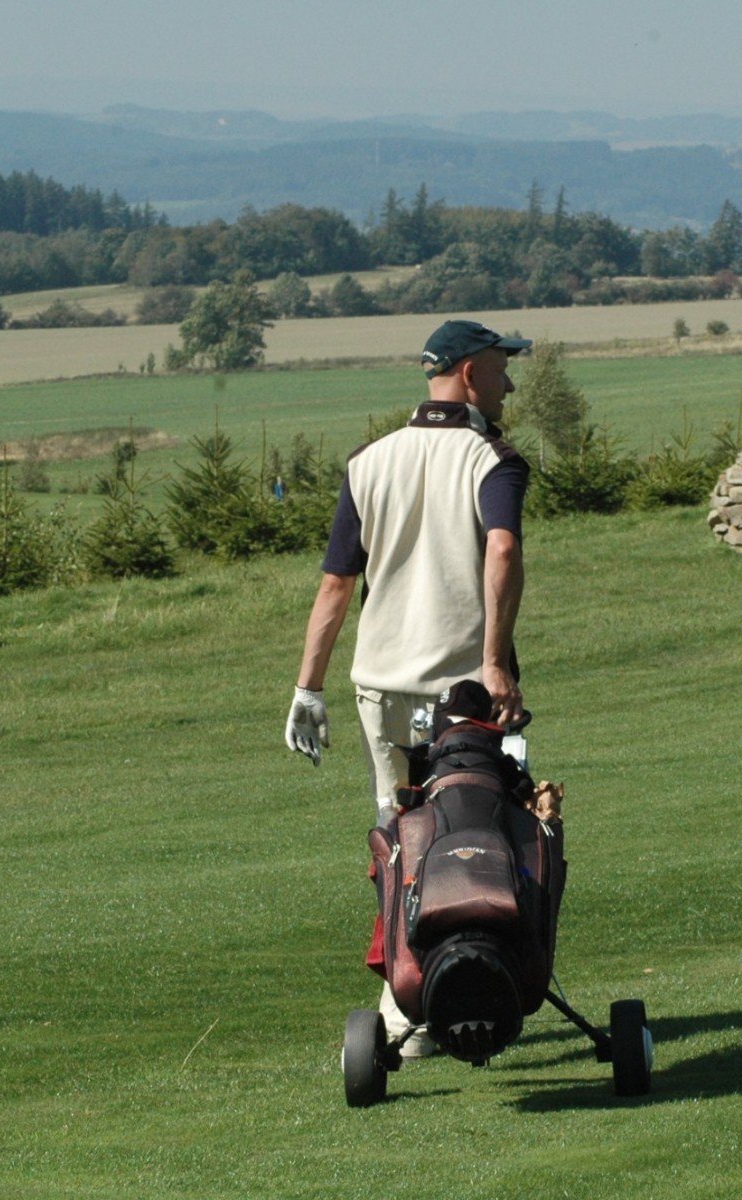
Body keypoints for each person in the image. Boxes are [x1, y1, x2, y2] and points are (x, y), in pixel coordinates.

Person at [286, 319, 532, 1054]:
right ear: (463, 373)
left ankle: (406, 1011)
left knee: (402, 844)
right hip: (469, 693)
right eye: (497, 369)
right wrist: (493, 662)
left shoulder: (370, 460)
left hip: (380, 686)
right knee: (488, 832)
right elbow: (503, 547)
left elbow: (336, 585)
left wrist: (309, 687)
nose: (507, 383)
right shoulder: (492, 458)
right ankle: (487, 983)